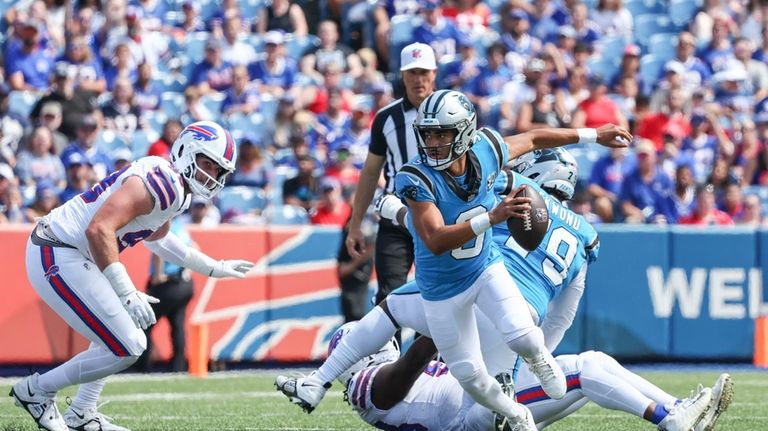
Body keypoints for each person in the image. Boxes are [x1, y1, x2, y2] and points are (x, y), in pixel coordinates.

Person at [277, 150, 728, 431]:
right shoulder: (585, 234)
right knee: (584, 366)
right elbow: (562, 315)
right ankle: (670, 415)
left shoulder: (512, 199)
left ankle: (673, 412)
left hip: (484, 332)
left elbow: (442, 232)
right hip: (474, 397)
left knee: (396, 308)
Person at [10, 121, 255, 431]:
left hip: (73, 253)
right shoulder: (162, 182)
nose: (213, 175)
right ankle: (38, 390)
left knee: (117, 337)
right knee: (129, 345)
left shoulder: (176, 190)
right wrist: (126, 291)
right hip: (57, 249)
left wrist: (211, 266)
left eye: (218, 170)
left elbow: (160, 238)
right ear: (186, 151)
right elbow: (99, 229)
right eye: (207, 163)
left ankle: (82, 412)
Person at [345, 42, 437, 307]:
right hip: (396, 215)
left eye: (423, 72)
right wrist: (356, 225)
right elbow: (371, 172)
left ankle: (437, 351)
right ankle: (389, 350)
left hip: (440, 217)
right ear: (402, 75)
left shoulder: (453, 110)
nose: (418, 79)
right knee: (389, 297)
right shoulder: (386, 118)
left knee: (441, 297)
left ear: (434, 73)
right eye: (412, 72)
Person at [135, 219, 195, 372]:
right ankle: (178, 365)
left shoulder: (164, 226)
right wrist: (187, 271)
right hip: (184, 283)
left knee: (144, 323)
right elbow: (195, 248)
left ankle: (143, 365)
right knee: (177, 324)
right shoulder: (180, 227)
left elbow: (159, 251)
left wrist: (158, 276)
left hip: (167, 284)